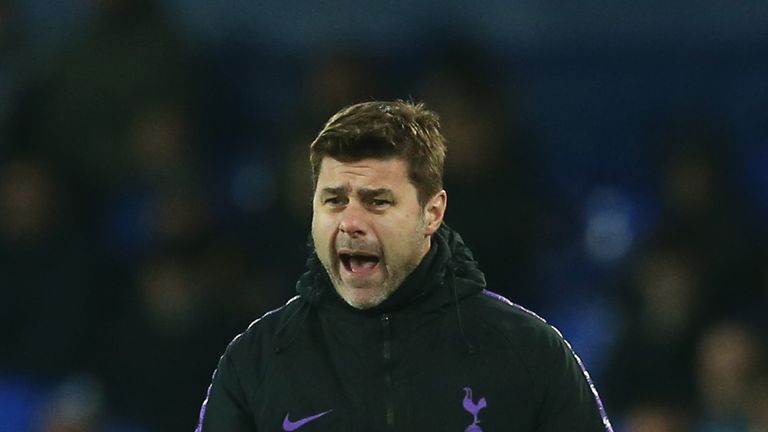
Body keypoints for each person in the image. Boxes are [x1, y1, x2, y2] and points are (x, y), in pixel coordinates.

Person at [195, 100, 612, 431]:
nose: (351, 223)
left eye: (377, 201)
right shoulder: (257, 362)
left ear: (431, 213)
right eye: (334, 200)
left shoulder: (529, 354)